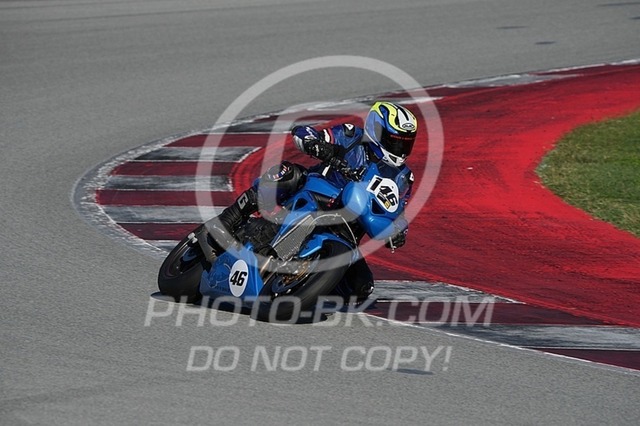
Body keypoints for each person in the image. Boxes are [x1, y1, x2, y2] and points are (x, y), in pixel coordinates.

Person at [204, 101, 417, 303]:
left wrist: (398, 232)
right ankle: (227, 221)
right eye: (395, 141)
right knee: (288, 173)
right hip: (316, 194)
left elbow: (398, 212)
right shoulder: (351, 136)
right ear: (376, 130)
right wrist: (315, 144)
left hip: (347, 230)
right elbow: (304, 132)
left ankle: (305, 286)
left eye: (406, 143)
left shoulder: (403, 178)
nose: (400, 148)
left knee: (361, 286)